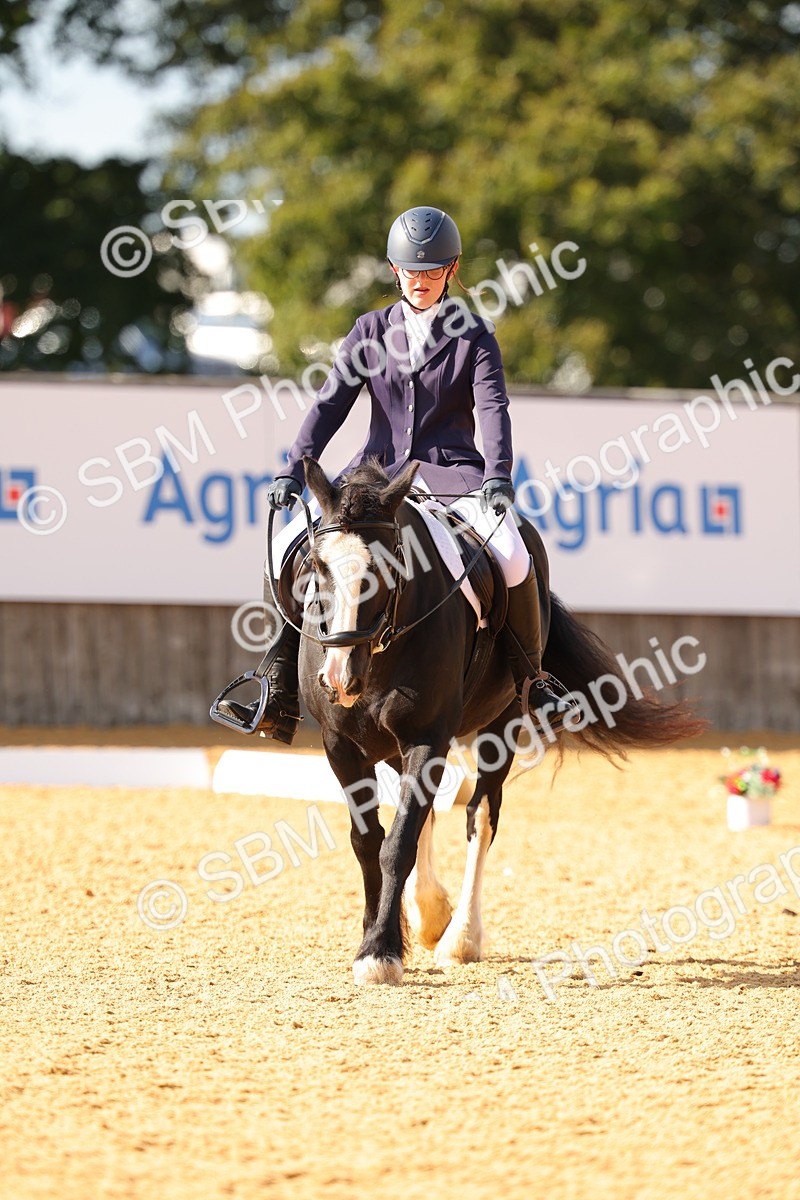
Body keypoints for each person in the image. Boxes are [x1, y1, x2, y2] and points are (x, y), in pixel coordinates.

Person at [216, 205, 578, 743]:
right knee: (286, 544)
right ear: (395, 270)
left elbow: (492, 408)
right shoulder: (369, 330)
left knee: (514, 552)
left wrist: (498, 474)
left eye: (433, 272)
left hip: (451, 474)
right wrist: (293, 470)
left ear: (451, 271)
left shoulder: (474, 335)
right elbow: (329, 404)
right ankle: (279, 677)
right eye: (412, 271)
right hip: (375, 476)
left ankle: (533, 682)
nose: (422, 281)